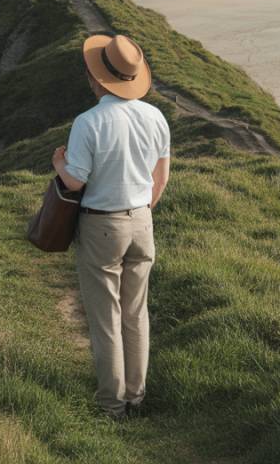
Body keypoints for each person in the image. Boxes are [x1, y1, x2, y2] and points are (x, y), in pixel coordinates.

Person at [52, 33, 171, 418]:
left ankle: (111, 405)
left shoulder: (89, 122)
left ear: (96, 77)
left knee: (106, 318)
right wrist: (140, 210)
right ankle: (136, 397)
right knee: (136, 314)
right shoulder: (155, 116)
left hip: (103, 226)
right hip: (142, 221)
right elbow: (161, 179)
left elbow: (75, 181)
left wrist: (58, 164)